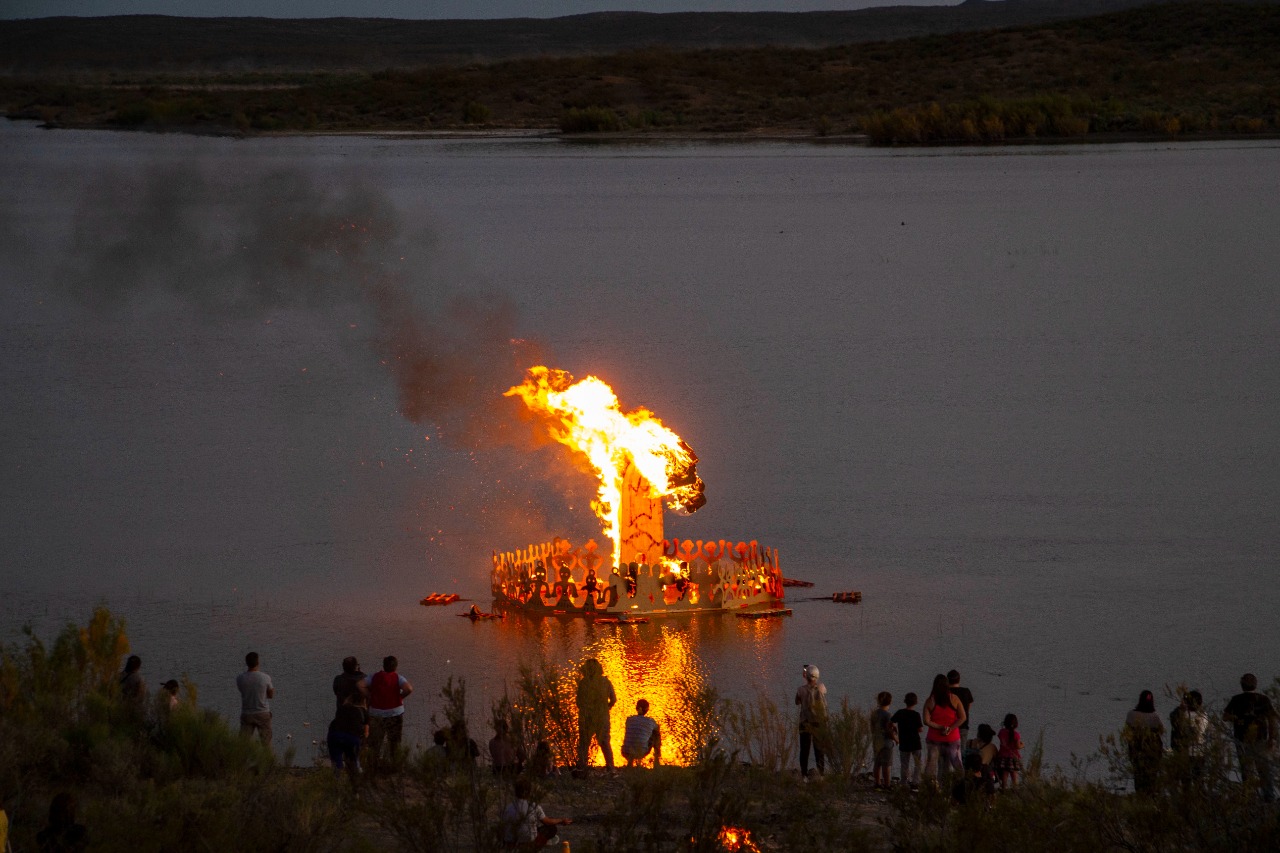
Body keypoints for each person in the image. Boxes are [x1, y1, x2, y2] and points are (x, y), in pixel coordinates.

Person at [1223, 672, 1277, 802]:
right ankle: (1268, 796)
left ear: (1242, 685)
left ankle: (1249, 796)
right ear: (1255, 684)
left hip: (1242, 739)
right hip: (1261, 739)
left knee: (1247, 770)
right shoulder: (1263, 700)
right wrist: (1271, 738)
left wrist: (1237, 718)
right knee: (1264, 770)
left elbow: (1225, 717)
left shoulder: (1236, 700)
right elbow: (1272, 719)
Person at [366, 655, 413, 770]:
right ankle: (395, 767)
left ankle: (373, 767)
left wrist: (369, 696)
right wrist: (400, 697)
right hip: (394, 714)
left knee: (375, 743)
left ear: (383, 666)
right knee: (395, 742)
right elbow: (409, 689)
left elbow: (361, 685)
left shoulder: (374, 677)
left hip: (376, 714)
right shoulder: (398, 678)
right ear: (395, 667)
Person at [500, 777, 572, 849]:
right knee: (552, 828)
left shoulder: (507, 808)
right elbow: (548, 822)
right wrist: (561, 820)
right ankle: (541, 842)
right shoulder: (533, 806)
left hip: (510, 844)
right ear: (529, 792)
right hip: (529, 844)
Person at [575, 658, 617, 775]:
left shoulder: (583, 683)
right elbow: (613, 699)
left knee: (584, 742)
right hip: (602, 717)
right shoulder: (606, 682)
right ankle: (610, 766)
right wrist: (606, 708)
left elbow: (578, 702)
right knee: (604, 742)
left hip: (586, 717)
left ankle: (582, 765)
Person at [922, 673, 966, 781]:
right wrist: (950, 728)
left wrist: (940, 727)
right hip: (952, 739)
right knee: (956, 766)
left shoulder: (930, 701)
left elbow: (926, 721)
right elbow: (962, 717)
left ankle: (930, 790)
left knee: (931, 767)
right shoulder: (954, 699)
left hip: (934, 739)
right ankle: (960, 788)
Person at [1124, 690, 1164, 793]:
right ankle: (1150, 796)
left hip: (1136, 750)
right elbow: (1161, 732)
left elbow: (1127, 732)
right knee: (1151, 775)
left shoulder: (1131, 715)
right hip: (1153, 751)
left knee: (1138, 774)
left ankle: (1140, 796)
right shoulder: (1155, 717)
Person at [327, 687, 368, 781]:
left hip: (334, 734)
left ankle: (337, 780)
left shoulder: (342, 708)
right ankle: (357, 781)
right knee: (354, 759)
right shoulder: (363, 712)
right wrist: (363, 744)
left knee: (336, 759)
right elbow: (366, 733)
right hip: (352, 737)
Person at [795, 664, 828, 779]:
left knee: (804, 750)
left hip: (805, 722)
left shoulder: (801, 690)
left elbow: (797, 702)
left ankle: (804, 775)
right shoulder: (821, 687)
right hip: (819, 722)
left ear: (806, 676)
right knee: (819, 749)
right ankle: (821, 774)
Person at [1170, 689, 1209, 782]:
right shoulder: (1203, 715)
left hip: (1184, 751)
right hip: (1199, 751)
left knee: (1185, 780)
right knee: (1198, 780)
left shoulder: (1183, 715)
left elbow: (1173, 720)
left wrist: (1180, 709)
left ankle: (1186, 796)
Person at [236, 651, 274, 744]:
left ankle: (241, 758)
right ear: (258, 662)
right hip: (263, 714)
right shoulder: (265, 677)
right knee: (266, 745)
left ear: (247, 663)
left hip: (246, 714)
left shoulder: (240, 678)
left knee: (242, 745)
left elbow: (243, 692)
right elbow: (271, 695)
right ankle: (267, 758)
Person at [891, 692, 924, 789]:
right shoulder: (916, 714)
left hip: (904, 742)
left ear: (905, 701)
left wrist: (895, 728)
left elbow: (891, 722)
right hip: (915, 743)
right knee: (917, 763)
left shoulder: (900, 712)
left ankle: (903, 782)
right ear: (916, 702)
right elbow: (920, 729)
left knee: (904, 763)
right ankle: (915, 782)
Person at [621, 699, 662, 767]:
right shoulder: (650, 721)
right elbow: (657, 729)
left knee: (634, 734)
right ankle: (657, 760)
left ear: (636, 708)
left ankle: (630, 763)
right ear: (647, 710)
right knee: (656, 734)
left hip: (625, 751)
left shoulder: (629, 719)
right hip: (641, 752)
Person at [871, 691, 895, 789]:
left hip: (876, 741)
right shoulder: (888, 715)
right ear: (890, 702)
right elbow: (889, 731)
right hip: (886, 743)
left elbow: (872, 728)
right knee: (887, 764)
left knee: (877, 763)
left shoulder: (874, 714)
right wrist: (896, 739)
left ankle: (877, 783)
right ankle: (887, 784)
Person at [996, 713, 1025, 789]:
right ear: (1016, 724)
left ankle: (1004, 788)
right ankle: (1015, 789)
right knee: (1014, 774)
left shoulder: (1001, 732)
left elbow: (1002, 741)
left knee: (1005, 773)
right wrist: (1022, 745)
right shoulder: (1016, 734)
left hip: (1003, 756)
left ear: (1005, 723)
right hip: (1013, 757)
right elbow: (1017, 746)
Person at [948, 670, 974, 742]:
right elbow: (968, 706)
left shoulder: (945, 692)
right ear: (959, 679)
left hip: (948, 726)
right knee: (961, 750)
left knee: (946, 750)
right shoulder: (966, 691)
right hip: (963, 725)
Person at [119, 655, 147, 722]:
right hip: (133, 712)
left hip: (118, 709)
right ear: (138, 666)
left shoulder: (117, 676)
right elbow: (141, 697)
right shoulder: (138, 679)